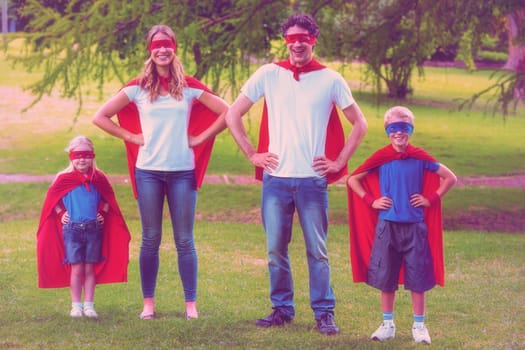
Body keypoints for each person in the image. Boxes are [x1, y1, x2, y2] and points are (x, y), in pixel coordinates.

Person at [225, 13, 368, 335]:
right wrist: (252, 154)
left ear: (313, 39)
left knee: (317, 250)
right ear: (285, 41)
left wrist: (339, 162)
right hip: (276, 180)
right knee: (276, 249)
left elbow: (360, 123)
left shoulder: (331, 79)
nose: (298, 44)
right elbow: (233, 114)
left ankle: (324, 313)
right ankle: (282, 309)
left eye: (303, 37)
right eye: (291, 38)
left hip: (312, 181)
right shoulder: (268, 74)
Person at [92, 24, 229, 320]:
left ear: (174, 48)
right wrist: (131, 136)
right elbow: (99, 116)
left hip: (182, 173)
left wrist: (201, 137)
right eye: (157, 45)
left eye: (167, 44)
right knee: (150, 239)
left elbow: (229, 112)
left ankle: (190, 305)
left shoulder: (190, 86)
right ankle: (148, 304)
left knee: (184, 240)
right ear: (150, 50)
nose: (163, 49)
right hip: (148, 172)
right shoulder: (138, 86)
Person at [347, 106, 457, 344]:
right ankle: (388, 324)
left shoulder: (420, 157)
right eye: (394, 128)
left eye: (404, 128)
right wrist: (371, 200)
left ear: (411, 130)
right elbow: (353, 179)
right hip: (387, 226)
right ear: (387, 131)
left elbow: (450, 177)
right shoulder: (381, 157)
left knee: (418, 277)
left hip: (415, 227)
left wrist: (431, 198)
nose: (399, 133)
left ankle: (419, 325)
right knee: (386, 276)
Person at [36, 135, 131, 318]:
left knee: (89, 268)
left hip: (94, 229)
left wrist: (101, 213)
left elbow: (109, 200)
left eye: (86, 154)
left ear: (93, 156)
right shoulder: (63, 178)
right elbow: (51, 200)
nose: (82, 159)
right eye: (78, 155)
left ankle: (89, 305)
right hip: (72, 230)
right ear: (71, 156)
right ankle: (76, 306)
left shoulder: (98, 178)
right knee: (76, 268)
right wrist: (61, 213)